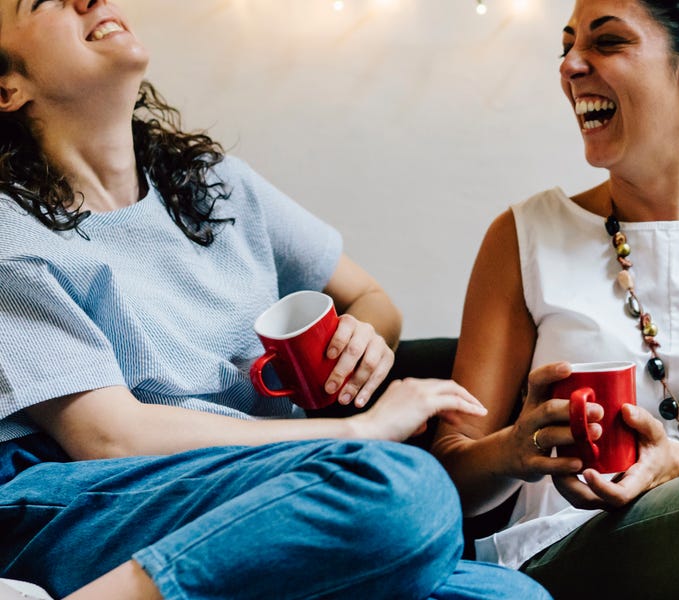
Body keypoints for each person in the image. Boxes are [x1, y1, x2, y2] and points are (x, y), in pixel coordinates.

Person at [0, 1, 552, 599]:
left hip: (260, 487)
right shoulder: (12, 235)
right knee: (405, 490)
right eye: (43, 0)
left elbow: (370, 297)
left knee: (514, 596)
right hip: (91, 498)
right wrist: (361, 434)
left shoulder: (213, 182)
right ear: (7, 88)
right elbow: (109, 438)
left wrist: (361, 337)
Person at [431, 0, 679, 598]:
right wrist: (515, 449)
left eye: (606, 42)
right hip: (578, 551)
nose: (571, 66)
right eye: (567, 45)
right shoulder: (526, 236)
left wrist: (678, 465)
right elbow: (448, 469)